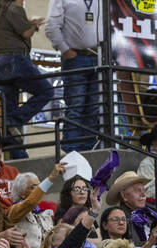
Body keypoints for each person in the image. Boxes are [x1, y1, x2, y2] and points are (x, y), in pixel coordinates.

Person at [0, 0, 54, 152]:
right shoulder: (14, 8)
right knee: (46, 91)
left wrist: (28, 23)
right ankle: (15, 120)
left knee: (11, 124)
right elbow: (26, 32)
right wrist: (34, 25)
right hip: (13, 60)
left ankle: (19, 160)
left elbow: (9, 30)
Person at [44, 0, 101, 152]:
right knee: (76, 104)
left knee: (95, 106)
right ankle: (72, 149)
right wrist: (65, 50)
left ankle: (90, 149)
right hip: (76, 58)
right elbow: (51, 25)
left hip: (100, 57)